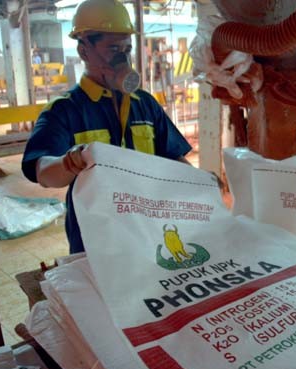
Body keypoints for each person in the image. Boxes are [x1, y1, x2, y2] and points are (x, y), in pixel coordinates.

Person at [22, 0, 193, 254]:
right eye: (113, 48)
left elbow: (174, 158)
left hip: (150, 229)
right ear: (84, 51)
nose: (122, 57)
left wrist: (197, 181)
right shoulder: (65, 110)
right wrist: (70, 162)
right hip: (95, 238)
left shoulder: (145, 104)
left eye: (127, 48)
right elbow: (42, 171)